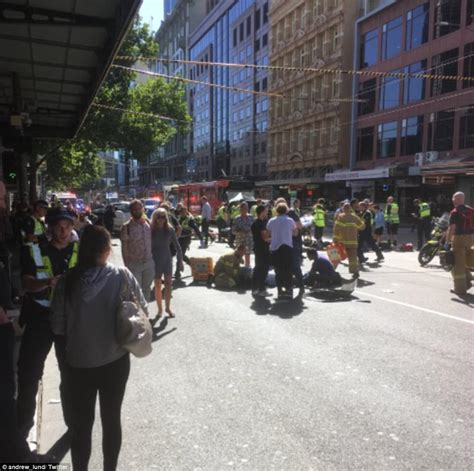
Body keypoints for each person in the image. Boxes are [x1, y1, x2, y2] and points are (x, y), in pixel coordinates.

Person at [50, 225, 146, 471]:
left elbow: (58, 328)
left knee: (81, 425)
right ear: (106, 250)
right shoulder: (122, 276)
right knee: (111, 419)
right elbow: (142, 309)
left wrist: (66, 362)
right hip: (115, 362)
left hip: (78, 364)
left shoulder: (66, 282)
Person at [16, 209, 78, 439]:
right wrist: (48, 282)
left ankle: (74, 427)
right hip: (39, 318)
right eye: (58, 226)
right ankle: (22, 431)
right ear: (50, 227)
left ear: (72, 227)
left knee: (71, 375)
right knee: (29, 374)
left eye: (67, 226)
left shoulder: (81, 251)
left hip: (67, 320)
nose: (63, 230)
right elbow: (26, 283)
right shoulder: (33, 250)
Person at [151, 208, 183, 318]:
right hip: (155, 260)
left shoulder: (170, 230)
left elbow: (178, 247)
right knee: (158, 285)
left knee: (169, 284)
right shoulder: (151, 230)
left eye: (163, 217)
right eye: (158, 217)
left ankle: (168, 307)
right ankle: (160, 309)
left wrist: (180, 261)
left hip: (167, 259)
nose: (161, 219)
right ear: (155, 218)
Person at [120, 200, 154, 302]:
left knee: (147, 289)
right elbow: (124, 248)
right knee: (135, 291)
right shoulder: (126, 227)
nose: (137, 211)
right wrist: (127, 265)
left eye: (139, 208)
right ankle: (138, 315)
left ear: (143, 209)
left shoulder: (148, 223)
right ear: (131, 211)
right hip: (134, 265)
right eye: (134, 209)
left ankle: (145, 314)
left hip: (149, 263)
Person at [267, 202, 298, 301]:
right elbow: (295, 233)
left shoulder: (271, 221)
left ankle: (280, 290)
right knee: (288, 270)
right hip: (287, 247)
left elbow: (268, 233)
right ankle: (289, 289)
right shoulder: (290, 220)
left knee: (278, 270)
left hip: (275, 248)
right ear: (286, 210)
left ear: (276, 210)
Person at [445, 192, 474, 295]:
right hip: (470, 238)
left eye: (453, 197)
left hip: (459, 239)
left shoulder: (455, 212)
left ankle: (460, 289)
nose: (452, 199)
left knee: (457, 264)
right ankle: (468, 280)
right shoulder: (471, 210)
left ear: (455, 199)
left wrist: (447, 242)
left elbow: (451, 228)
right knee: (463, 260)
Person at [333, 202, 365, 277]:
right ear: (350, 209)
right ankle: (355, 272)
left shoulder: (341, 216)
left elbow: (336, 228)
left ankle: (331, 271)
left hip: (342, 242)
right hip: (353, 242)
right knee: (353, 258)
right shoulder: (355, 217)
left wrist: (335, 238)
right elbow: (362, 226)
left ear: (343, 209)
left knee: (336, 257)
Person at [251, 205, 271, 297]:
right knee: (263, 268)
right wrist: (275, 239)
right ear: (262, 212)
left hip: (259, 248)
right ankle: (261, 289)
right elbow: (265, 238)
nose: (267, 212)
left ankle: (255, 288)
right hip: (262, 248)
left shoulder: (259, 222)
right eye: (266, 211)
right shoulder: (259, 223)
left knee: (259, 268)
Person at [176, 207, 201, 279]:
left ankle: (177, 272)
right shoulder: (177, 218)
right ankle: (191, 264)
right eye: (181, 212)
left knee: (180, 254)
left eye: (184, 211)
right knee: (180, 255)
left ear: (186, 212)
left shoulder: (190, 219)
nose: (183, 213)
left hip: (186, 239)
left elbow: (195, 227)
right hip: (179, 239)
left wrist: (200, 236)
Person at [288, 199, 304, 296]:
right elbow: (297, 232)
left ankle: (289, 287)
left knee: (287, 267)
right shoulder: (293, 217)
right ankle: (300, 286)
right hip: (294, 244)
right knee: (295, 267)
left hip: (286, 246)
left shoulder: (275, 220)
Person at [232, 202, 254, 268]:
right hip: (240, 240)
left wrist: (250, 231)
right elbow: (233, 231)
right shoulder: (237, 218)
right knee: (238, 256)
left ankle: (247, 269)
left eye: (247, 208)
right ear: (240, 209)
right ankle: (236, 269)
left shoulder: (251, 217)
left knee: (248, 254)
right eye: (244, 208)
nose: (245, 210)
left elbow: (254, 228)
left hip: (248, 240)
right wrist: (240, 231)